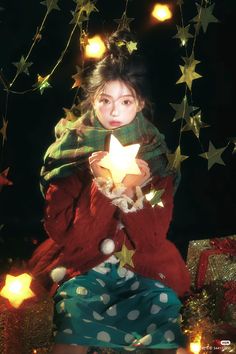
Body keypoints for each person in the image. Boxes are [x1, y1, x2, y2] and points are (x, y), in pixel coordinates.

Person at [28, 29, 191, 354]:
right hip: (82, 268)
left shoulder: (155, 157)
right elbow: (67, 236)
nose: (115, 112)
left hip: (142, 269)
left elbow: (152, 239)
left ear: (140, 103)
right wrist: (100, 186)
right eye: (105, 100)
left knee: (162, 307)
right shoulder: (69, 155)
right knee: (75, 316)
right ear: (92, 100)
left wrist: (134, 192)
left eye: (125, 101)